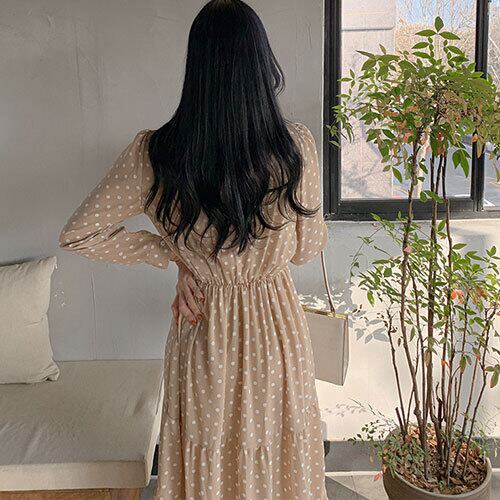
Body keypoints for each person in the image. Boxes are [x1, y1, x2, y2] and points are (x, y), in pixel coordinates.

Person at [59, 0, 328, 498]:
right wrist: (188, 255)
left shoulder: (157, 154)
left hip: (206, 330)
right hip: (275, 329)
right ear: (261, 66)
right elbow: (305, 251)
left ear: (196, 70)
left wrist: (174, 254)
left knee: (210, 460)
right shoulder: (295, 148)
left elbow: (79, 233)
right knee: (277, 456)